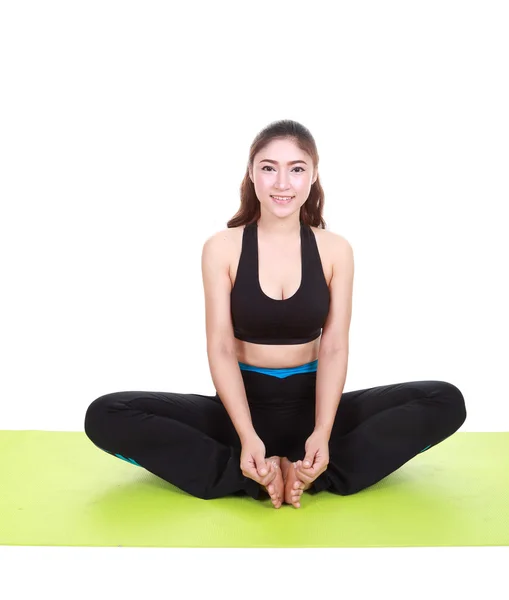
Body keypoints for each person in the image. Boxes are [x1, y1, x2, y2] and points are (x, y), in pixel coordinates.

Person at [84, 119, 467, 509]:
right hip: (240, 409)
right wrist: (248, 435)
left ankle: (312, 471)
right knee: (106, 414)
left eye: (296, 169)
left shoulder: (336, 250)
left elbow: (334, 347)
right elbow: (219, 347)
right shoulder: (223, 248)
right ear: (252, 173)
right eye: (269, 168)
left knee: (445, 400)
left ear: (313, 175)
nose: (282, 183)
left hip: (313, 403)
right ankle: (250, 473)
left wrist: (322, 431)